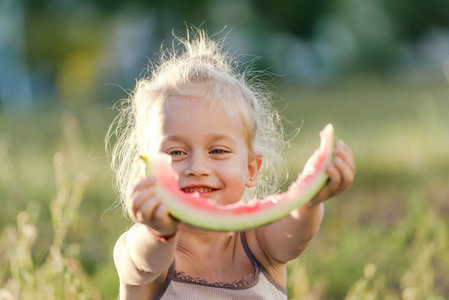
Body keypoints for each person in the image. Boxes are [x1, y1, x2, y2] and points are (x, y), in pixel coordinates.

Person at [108, 30, 355, 300]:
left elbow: (294, 236)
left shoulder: (259, 243)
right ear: (145, 172)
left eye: (217, 150)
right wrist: (159, 233)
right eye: (176, 152)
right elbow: (143, 260)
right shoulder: (138, 246)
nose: (197, 167)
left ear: (251, 169)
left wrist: (309, 201)